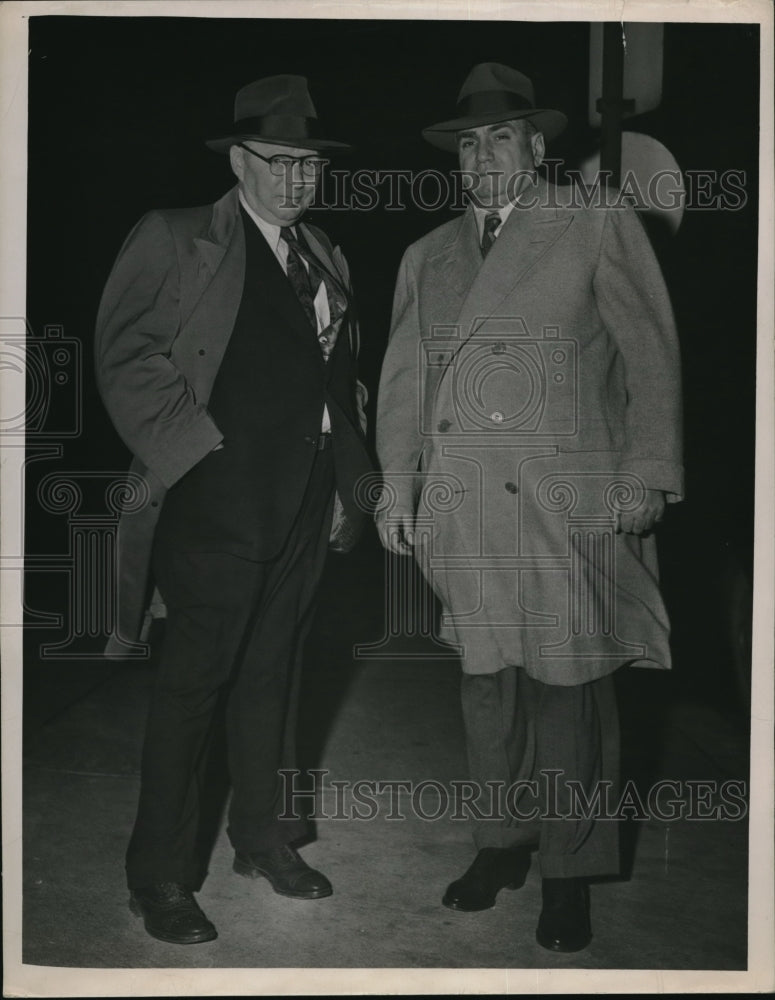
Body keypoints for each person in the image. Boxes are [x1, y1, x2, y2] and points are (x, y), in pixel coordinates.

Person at [375, 63, 683, 952]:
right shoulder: (425, 255)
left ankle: (570, 870)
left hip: (564, 502)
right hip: (465, 510)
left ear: (537, 146)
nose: (481, 155)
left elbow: (651, 354)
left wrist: (645, 475)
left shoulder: (590, 221)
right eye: (467, 142)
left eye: (499, 136)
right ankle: (499, 844)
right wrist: (397, 485)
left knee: (569, 691)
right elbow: (404, 382)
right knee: (486, 689)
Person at [95, 74, 371, 945]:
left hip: (305, 502)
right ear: (240, 160)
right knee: (191, 691)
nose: (298, 180)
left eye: (310, 164)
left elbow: (340, 385)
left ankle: (263, 840)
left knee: (273, 678)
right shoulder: (178, 237)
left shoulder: (326, 252)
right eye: (280, 162)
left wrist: (347, 488)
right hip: (215, 504)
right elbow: (126, 354)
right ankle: (161, 877)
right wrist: (195, 453)